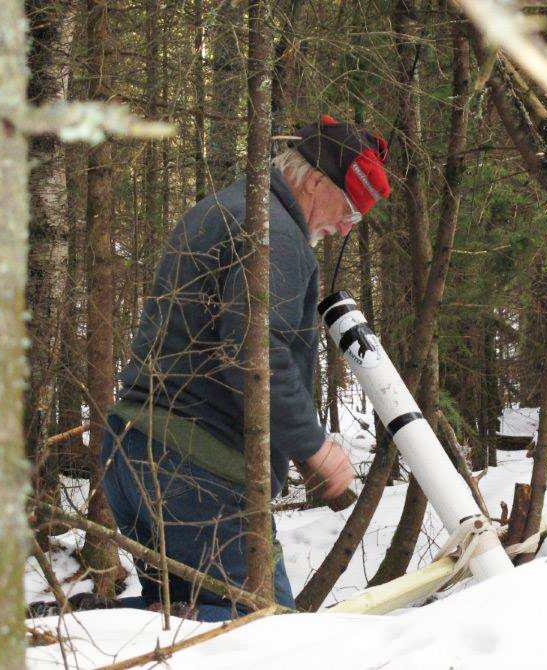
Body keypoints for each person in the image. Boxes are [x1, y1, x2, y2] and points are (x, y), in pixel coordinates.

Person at [100, 115, 391, 621]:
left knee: (176, 626)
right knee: (263, 634)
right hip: (195, 472)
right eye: (348, 209)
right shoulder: (276, 235)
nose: (345, 225)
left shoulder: (222, 208)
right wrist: (316, 448)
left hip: (134, 454)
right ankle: (66, 627)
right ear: (316, 180)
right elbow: (256, 355)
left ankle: (80, 626)